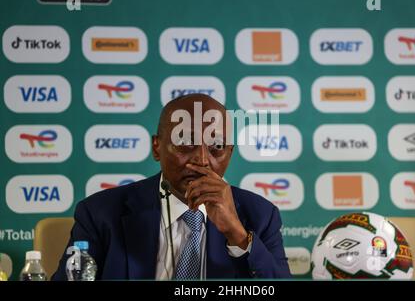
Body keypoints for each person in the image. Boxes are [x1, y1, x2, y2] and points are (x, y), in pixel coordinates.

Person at [52, 94, 291, 280]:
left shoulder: (260, 215)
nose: (202, 160)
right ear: (157, 147)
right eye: (185, 142)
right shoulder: (100, 213)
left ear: (230, 153)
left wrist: (237, 235)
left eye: (217, 146)